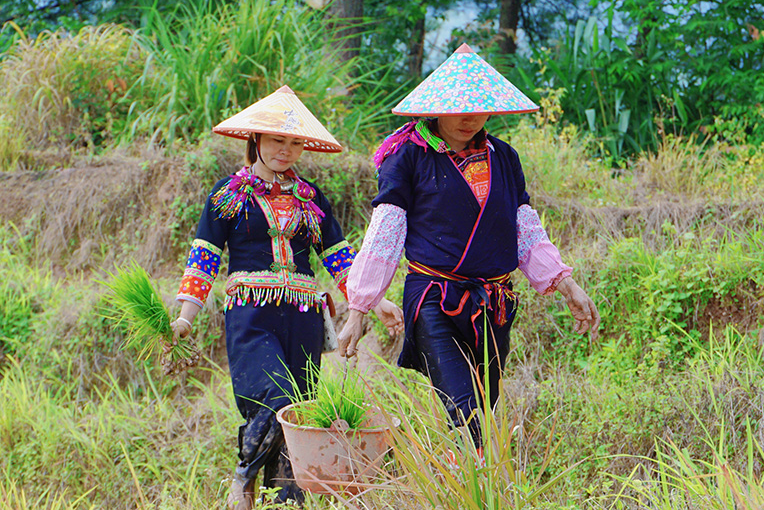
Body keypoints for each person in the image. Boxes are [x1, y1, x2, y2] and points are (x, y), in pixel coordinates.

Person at [339, 44, 600, 455]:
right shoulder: (407, 157)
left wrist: (566, 285)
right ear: (436, 107)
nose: (469, 118)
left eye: (479, 108)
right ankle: (479, 484)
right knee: (463, 406)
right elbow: (385, 233)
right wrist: (358, 310)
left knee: (483, 402)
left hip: (494, 302)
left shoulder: (505, 157)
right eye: (459, 107)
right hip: (433, 297)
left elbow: (524, 226)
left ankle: (462, 480)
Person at [168, 85, 402, 509]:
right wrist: (186, 316)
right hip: (251, 315)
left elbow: (339, 257)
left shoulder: (312, 200)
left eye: (295, 142)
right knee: (277, 396)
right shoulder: (226, 196)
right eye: (278, 140)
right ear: (254, 139)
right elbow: (203, 256)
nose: (286, 150)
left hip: (304, 318)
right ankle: (243, 476)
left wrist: (375, 300)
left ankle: (285, 500)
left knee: (298, 415)